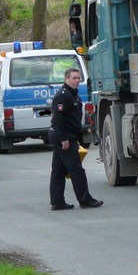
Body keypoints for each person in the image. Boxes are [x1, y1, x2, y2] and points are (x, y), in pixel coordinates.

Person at [49, 67, 103, 210]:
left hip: (67, 135)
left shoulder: (73, 94)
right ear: (66, 79)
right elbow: (57, 120)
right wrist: (64, 139)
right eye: (74, 78)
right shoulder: (64, 95)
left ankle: (57, 201)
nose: (77, 81)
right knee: (76, 170)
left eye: (79, 78)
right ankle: (85, 200)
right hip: (63, 137)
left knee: (58, 170)